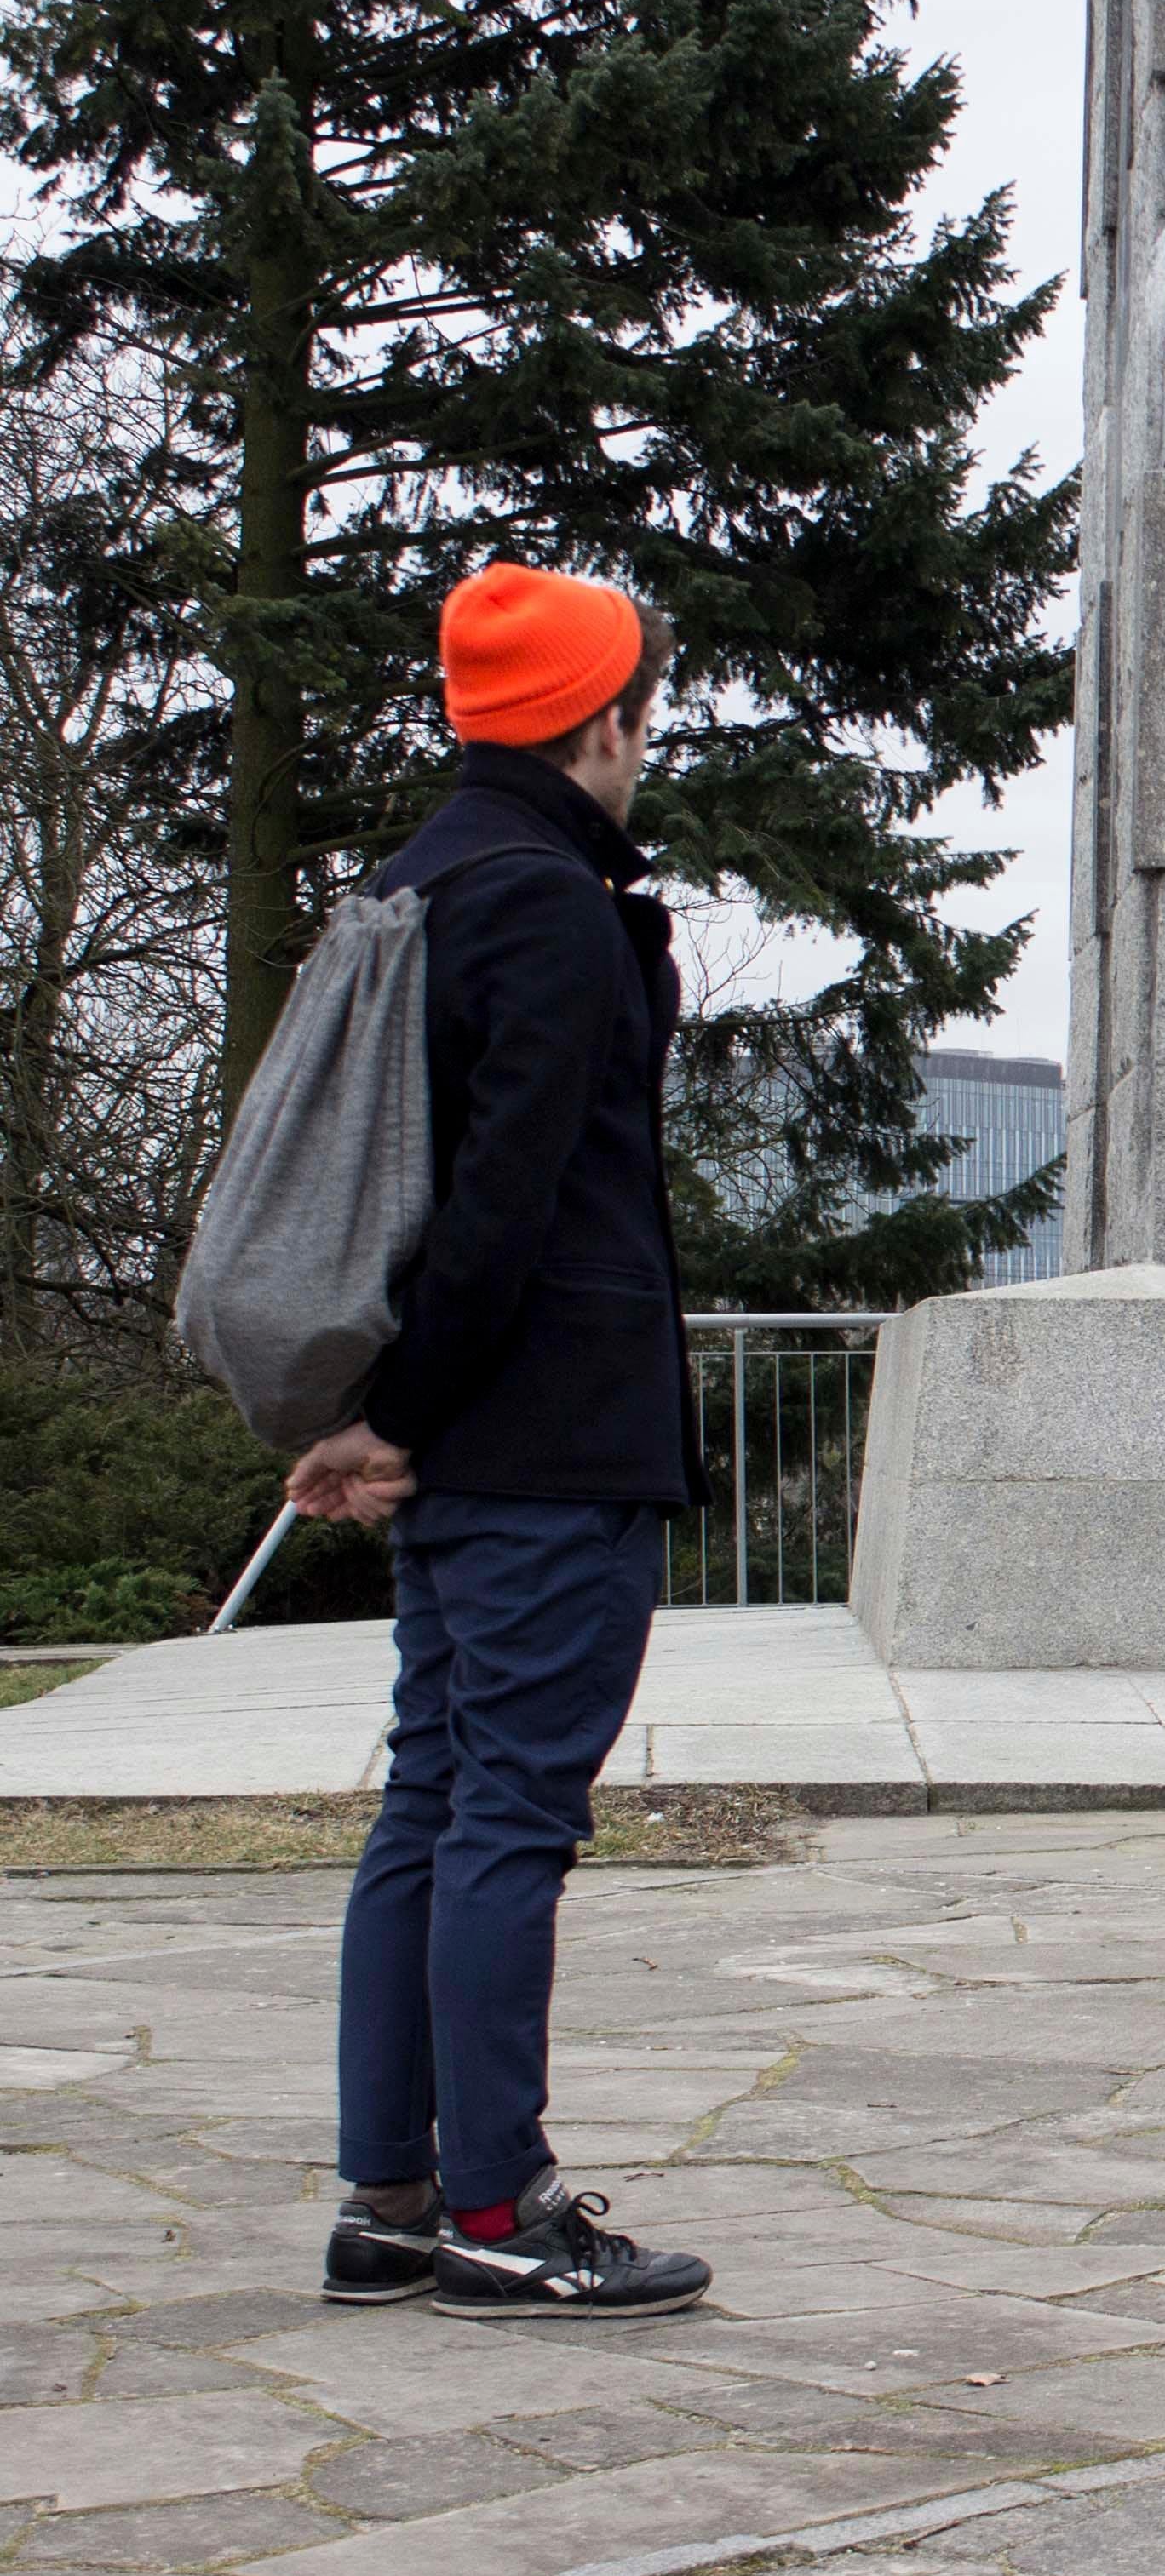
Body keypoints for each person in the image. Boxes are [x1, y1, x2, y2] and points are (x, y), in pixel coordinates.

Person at [290, 563, 716, 2319]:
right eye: (643, 714)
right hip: (545, 1434)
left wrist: (389, 1416)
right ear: (603, 720)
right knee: (506, 1814)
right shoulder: (540, 900)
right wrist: (396, 1415)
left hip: (466, 1437)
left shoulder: (421, 881)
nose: (646, 744)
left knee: (437, 1793)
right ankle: (491, 2208)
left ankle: (393, 2198)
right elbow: (508, 1204)